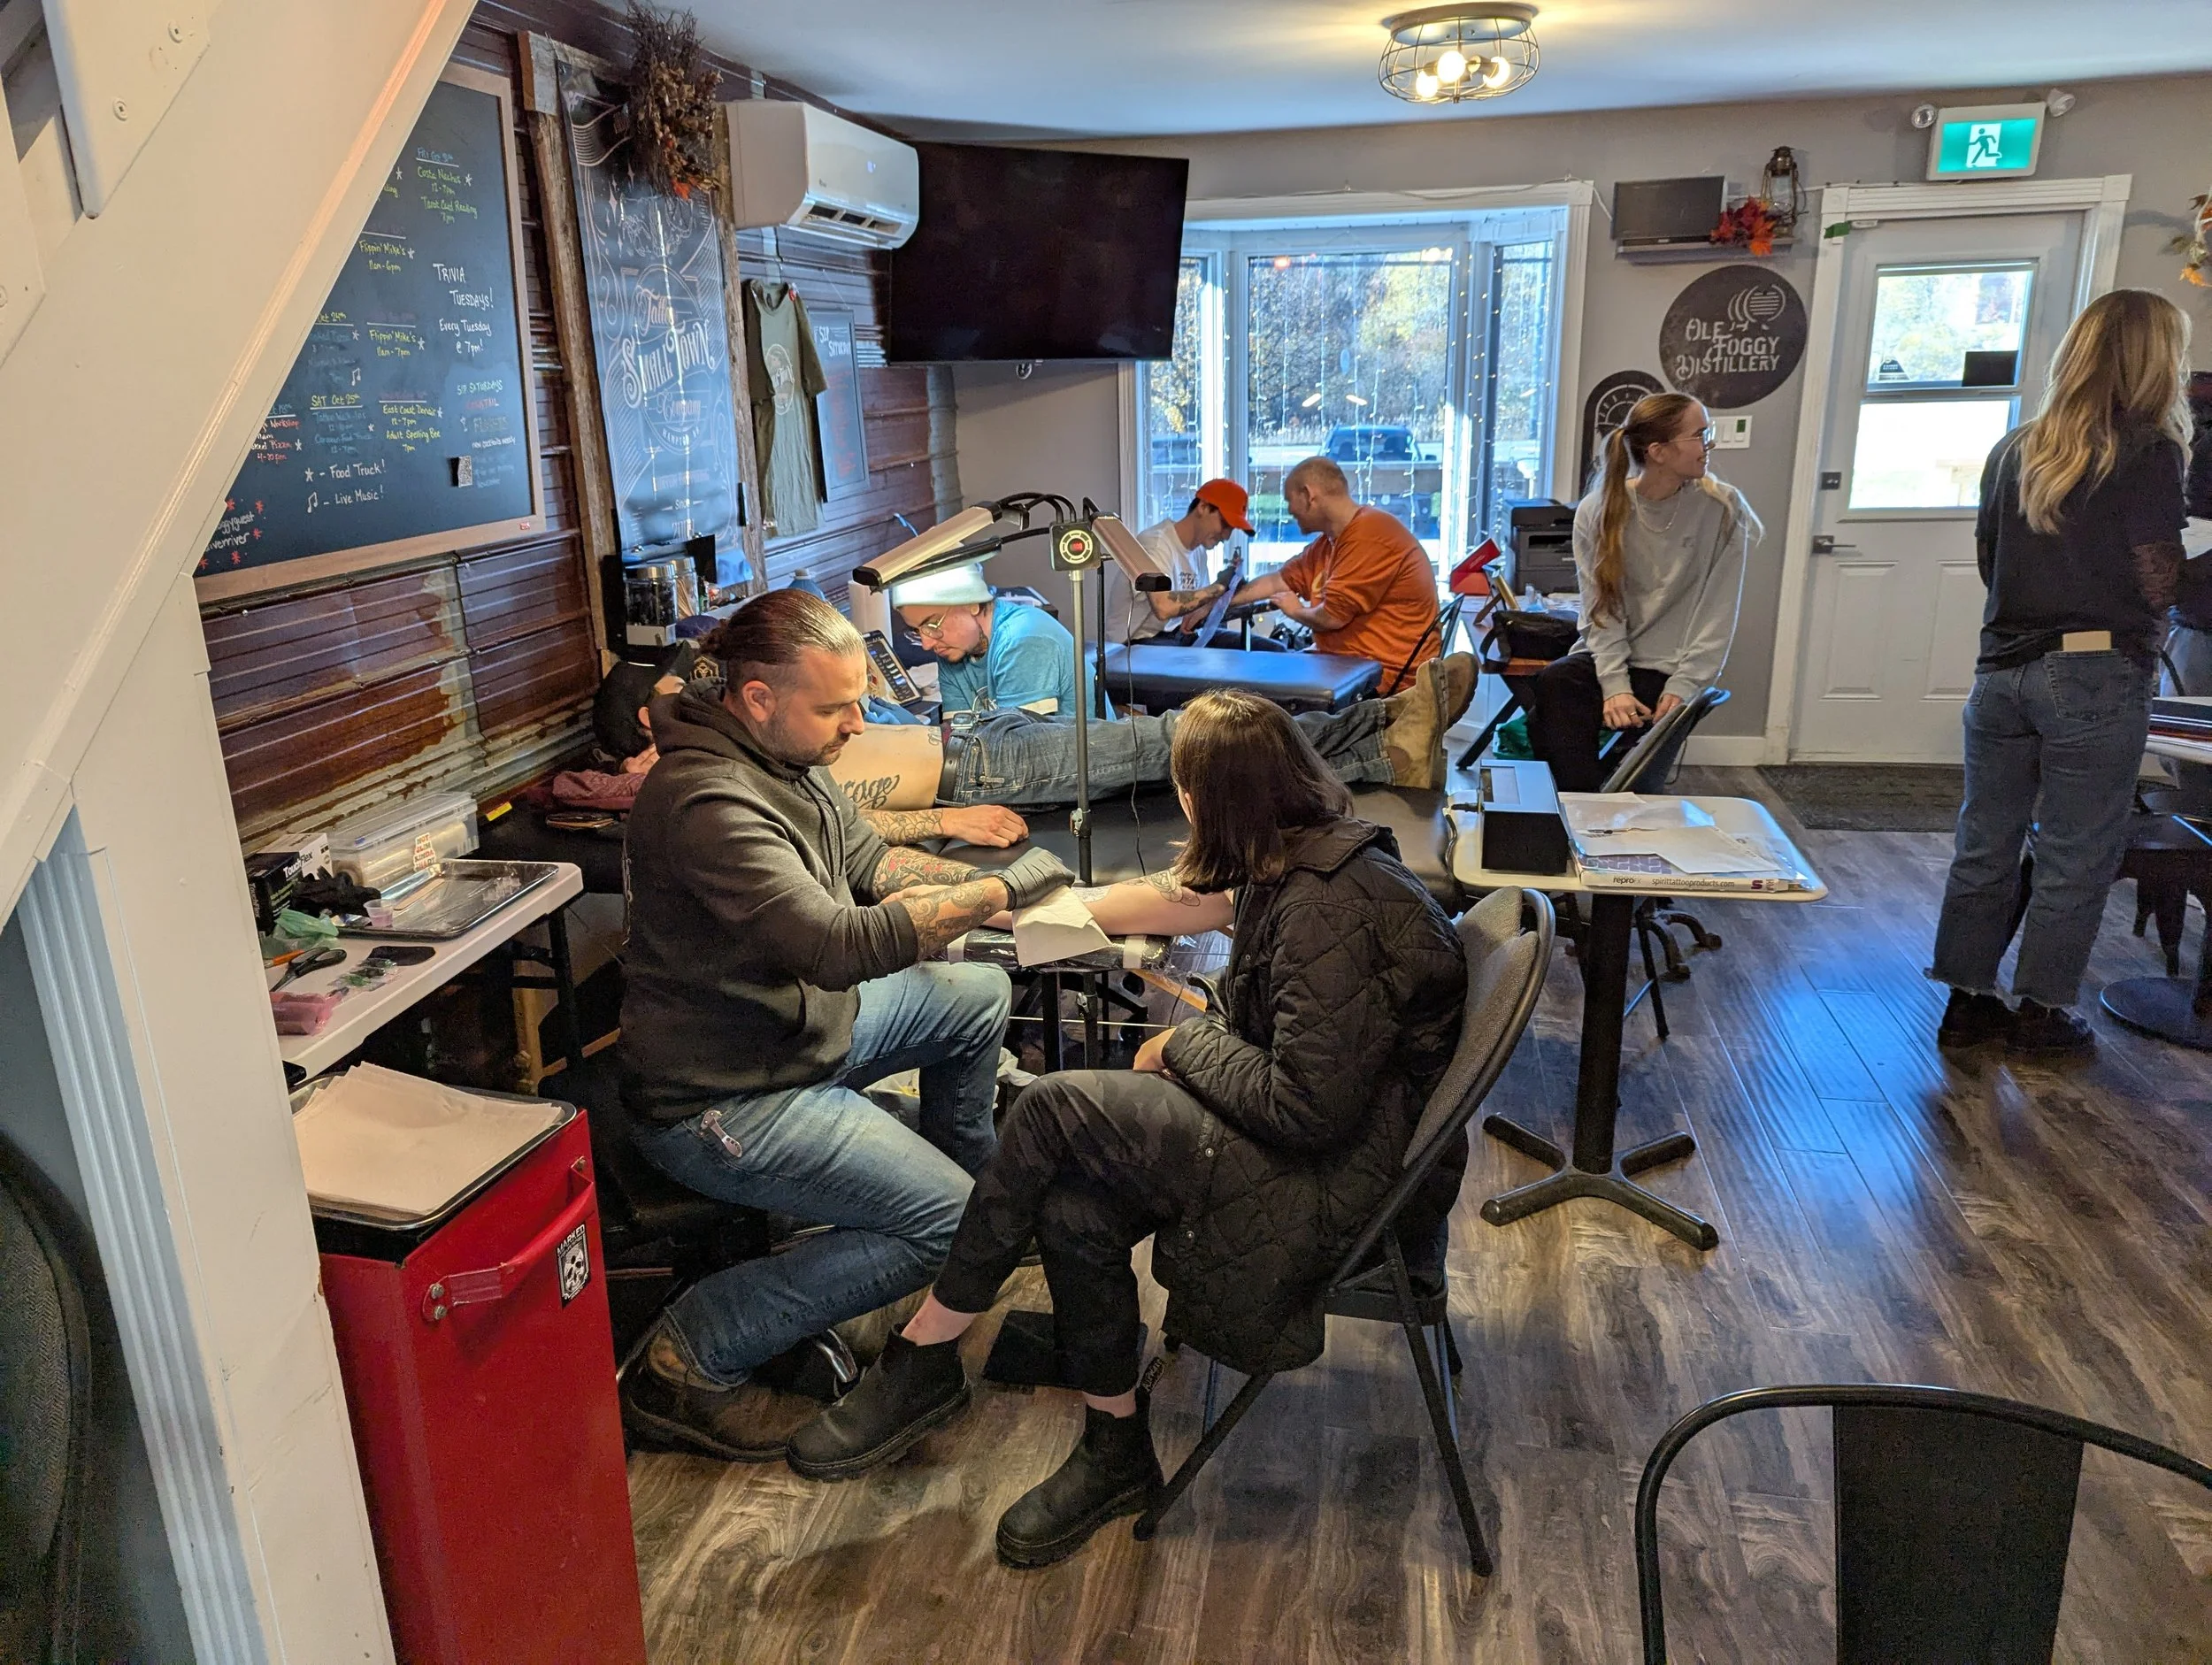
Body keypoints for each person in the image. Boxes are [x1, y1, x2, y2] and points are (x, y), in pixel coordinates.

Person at [783, 691, 1469, 1569]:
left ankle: (925, 1356)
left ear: (1202, 799)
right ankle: (1113, 1448)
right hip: (1337, 1143)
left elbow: (1308, 1109)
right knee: (1073, 1202)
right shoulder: (1290, 863)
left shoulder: (1325, 907)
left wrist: (1184, 1045)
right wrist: (988, 902)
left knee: (1050, 1104)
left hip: (1336, 1179)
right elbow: (1146, 901)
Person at [615, 588, 1078, 1460]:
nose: (857, 724)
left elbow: (871, 863)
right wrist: (995, 892)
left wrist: (994, 891)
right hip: (723, 1096)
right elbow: (833, 944)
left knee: (975, 998)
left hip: (796, 1033)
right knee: (950, 1225)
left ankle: (964, 1190)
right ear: (759, 698)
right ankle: (686, 1355)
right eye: (836, 706)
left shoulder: (789, 758)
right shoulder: (706, 800)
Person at [1931, 288, 2194, 1058]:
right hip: (2095, 673)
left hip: (2002, 672)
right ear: (2153, 359)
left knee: (1985, 843)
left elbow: (1991, 561)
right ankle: (2042, 1012)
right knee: (2075, 852)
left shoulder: (2016, 449)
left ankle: (1966, 1001)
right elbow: (2159, 583)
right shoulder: (2146, 451)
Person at [1524, 393, 1760, 794]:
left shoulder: (1723, 508)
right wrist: (1615, 686)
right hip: (1612, 658)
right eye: (1701, 434)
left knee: (1605, 722)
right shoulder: (1599, 510)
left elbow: (1717, 613)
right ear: (1659, 451)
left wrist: (1685, 686)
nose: (1710, 445)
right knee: (1553, 686)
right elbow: (1602, 611)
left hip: (1672, 667)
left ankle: (1602, 815)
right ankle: (1583, 816)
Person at [1229, 456, 1441, 693]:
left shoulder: (1369, 533)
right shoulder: (1328, 543)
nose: (1289, 510)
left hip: (1381, 677)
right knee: (1260, 679)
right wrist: (1217, 603)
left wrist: (1296, 610)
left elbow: (1332, 618)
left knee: (1259, 697)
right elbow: (1276, 581)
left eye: (1290, 500)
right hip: (1341, 664)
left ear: (1309, 495)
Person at [891, 563, 1107, 718]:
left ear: (972, 603)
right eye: (917, 631)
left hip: (1076, 775)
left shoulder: (1023, 639)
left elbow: (1021, 754)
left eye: (932, 625)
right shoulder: (952, 651)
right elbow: (958, 739)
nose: (927, 644)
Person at [1104, 478, 1249, 645]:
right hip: (1139, 641)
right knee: (1201, 664)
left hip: (1177, 634)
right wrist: (1218, 587)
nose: (1226, 536)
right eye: (1225, 524)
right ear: (1203, 507)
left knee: (1267, 650)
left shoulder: (1199, 552)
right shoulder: (1155, 543)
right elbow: (1163, 608)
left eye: (1231, 529)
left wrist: (1230, 589)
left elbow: (1196, 606)